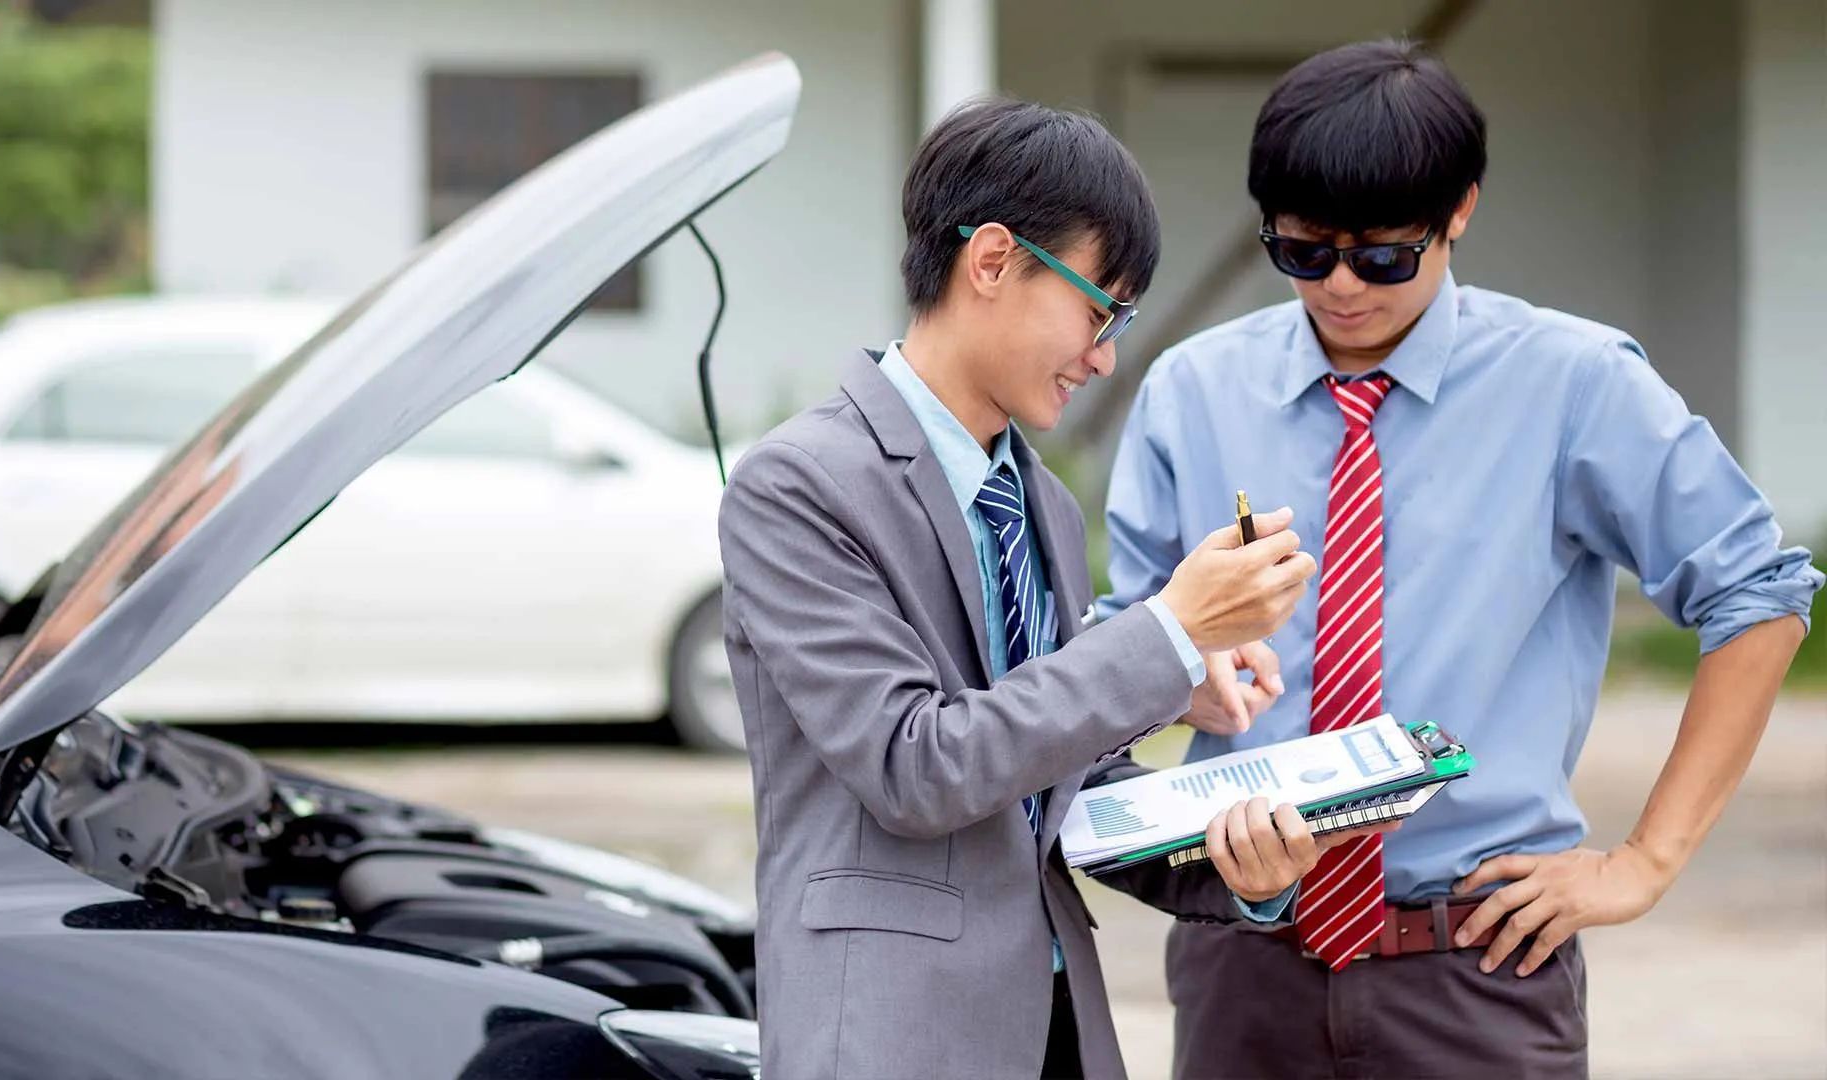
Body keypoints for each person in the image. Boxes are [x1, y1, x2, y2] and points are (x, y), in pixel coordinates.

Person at [1091, 39, 1823, 1080]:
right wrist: (1180, 675)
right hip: (1243, 959)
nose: (1341, 286)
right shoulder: (1192, 392)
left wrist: (1647, 861)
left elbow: (1759, 594)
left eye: (1383, 255)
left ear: (1461, 211)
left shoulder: (1574, 384)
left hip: (1477, 966)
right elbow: (1133, 647)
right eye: (1304, 252)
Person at [716, 98, 1392, 1079]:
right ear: (991, 261)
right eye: (1098, 307)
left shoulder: (1041, 502)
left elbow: (1055, 792)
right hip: (887, 1040)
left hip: (1057, 1033)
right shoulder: (799, 485)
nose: (1107, 352)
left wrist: (1244, 861)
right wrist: (1167, 632)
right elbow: (919, 767)